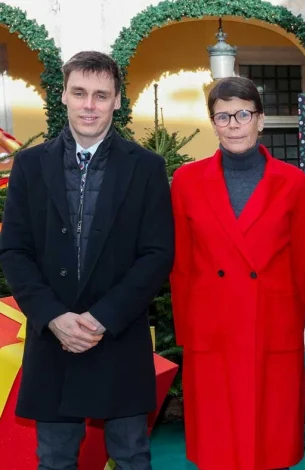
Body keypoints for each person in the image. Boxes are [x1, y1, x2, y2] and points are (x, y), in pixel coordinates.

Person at [0, 51, 174, 469]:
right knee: (55, 458)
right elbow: (14, 251)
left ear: (117, 100)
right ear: (64, 95)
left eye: (101, 95)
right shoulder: (29, 164)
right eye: (80, 93)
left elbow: (157, 254)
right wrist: (54, 317)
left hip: (117, 335)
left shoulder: (146, 167)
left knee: (132, 455)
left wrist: (101, 318)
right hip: (53, 339)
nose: (89, 105)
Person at [170, 76, 305, 470]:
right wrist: (190, 333)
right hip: (211, 332)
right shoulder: (185, 181)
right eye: (223, 116)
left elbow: (300, 266)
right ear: (213, 123)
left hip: (271, 327)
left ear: (260, 120)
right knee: (219, 446)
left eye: (243, 114)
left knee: (271, 442)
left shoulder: (294, 182)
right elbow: (181, 264)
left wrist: (289, 327)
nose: (234, 124)